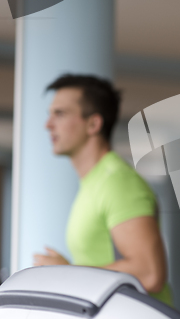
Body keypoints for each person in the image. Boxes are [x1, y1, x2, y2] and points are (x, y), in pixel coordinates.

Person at [33, 74, 172, 305]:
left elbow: (149, 273)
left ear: (93, 124)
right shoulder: (94, 182)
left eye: (60, 114)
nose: (48, 124)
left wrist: (68, 273)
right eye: (50, 114)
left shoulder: (118, 182)